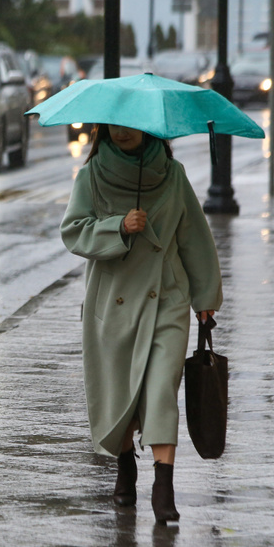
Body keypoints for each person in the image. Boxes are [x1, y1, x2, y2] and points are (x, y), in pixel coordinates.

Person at [60, 123, 222, 524]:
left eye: (130, 126)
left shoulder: (173, 175)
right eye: (113, 126)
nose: (121, 132)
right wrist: (118, 226)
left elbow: (194, 237)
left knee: (161, 388)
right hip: (112, 302)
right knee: (120, 391)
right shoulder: (92, 175)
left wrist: (205, 299)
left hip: (166, 297)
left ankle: (163, 487)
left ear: (149, 129)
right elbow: (73, 232)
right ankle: (125, 462)